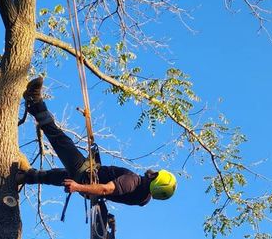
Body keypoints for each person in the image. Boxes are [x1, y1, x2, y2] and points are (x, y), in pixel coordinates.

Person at [15, 78, 177, 206]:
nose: (152, 172)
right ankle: (25, 177)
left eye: (155, 175)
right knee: (59, 176)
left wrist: (78, 187)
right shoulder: (143, 198)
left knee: (60, 139)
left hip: (86, 177)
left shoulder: (133, 182)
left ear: (154, 181)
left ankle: (34, 102)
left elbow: (107, 189)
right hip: (90, 179)